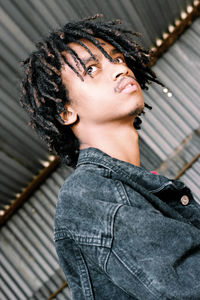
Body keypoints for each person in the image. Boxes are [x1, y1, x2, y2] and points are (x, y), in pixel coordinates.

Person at [20, 15, 200, 300]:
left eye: (117, 58)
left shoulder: (130, 186)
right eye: (91, 69)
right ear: (66, 112)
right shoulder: (88, 196)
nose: (119, 69)